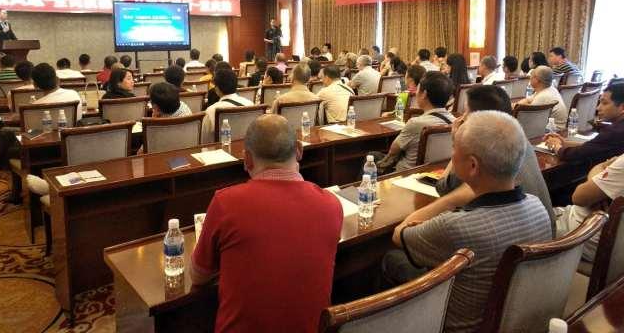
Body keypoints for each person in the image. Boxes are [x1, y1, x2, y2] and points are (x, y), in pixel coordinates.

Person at [383, 110, 551, 333]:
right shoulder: (538, 206)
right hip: (511, 319)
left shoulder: (457, 226)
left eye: (454, 149)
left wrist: (451, 199)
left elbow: (399, 234)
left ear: (473, 166)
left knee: (392, 259)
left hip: (453, 326)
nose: (452, 155)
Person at [191, 114, 342, 332]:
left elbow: (198, 276)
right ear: (299, 150)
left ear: (247, 159)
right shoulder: (331, 204)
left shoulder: (226, 203)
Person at [402, 85, 555, 233]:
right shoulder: (518, 140)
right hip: (541, 229)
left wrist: (458, 141)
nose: (461, 118)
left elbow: (443, 188)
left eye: (466, 113)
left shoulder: (485, 155)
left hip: (511, 235)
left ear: (479, 121)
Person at [377, 72, 454, 172]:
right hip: (436, 172)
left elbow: (393, 151)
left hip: (406, 174)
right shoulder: (454, 121)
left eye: (418, 89)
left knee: (372, 156)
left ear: (424, 94)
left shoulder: (416, 123)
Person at [555, 153, 624, 261]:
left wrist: (602, 166)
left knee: (531, 217)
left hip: (585, 238)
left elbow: (579, 197)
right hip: (609, 242)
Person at [545, 83, 624, 164]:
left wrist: (555, 146)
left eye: (604, 103)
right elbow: (591, 147)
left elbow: (570, 155)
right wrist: (564, 143)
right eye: (599, 102)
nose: (598, 108)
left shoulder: (615, 132)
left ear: (622, 107)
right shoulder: (617, 128)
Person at [201, 69, 254, 143]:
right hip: (246, 147)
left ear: (217, 88)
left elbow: (204, 142)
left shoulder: (211, 111)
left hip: (222, 149)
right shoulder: (250, 104)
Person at [518, 66, 567, 130]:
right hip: (547, 126)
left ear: (537, 80)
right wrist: (518, 104)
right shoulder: (549, 88)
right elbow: (528, 100)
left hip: (553, 131)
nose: (530, 76)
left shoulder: (542, 97)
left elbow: (528, 119)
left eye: (532, 74)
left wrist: (517, 106)